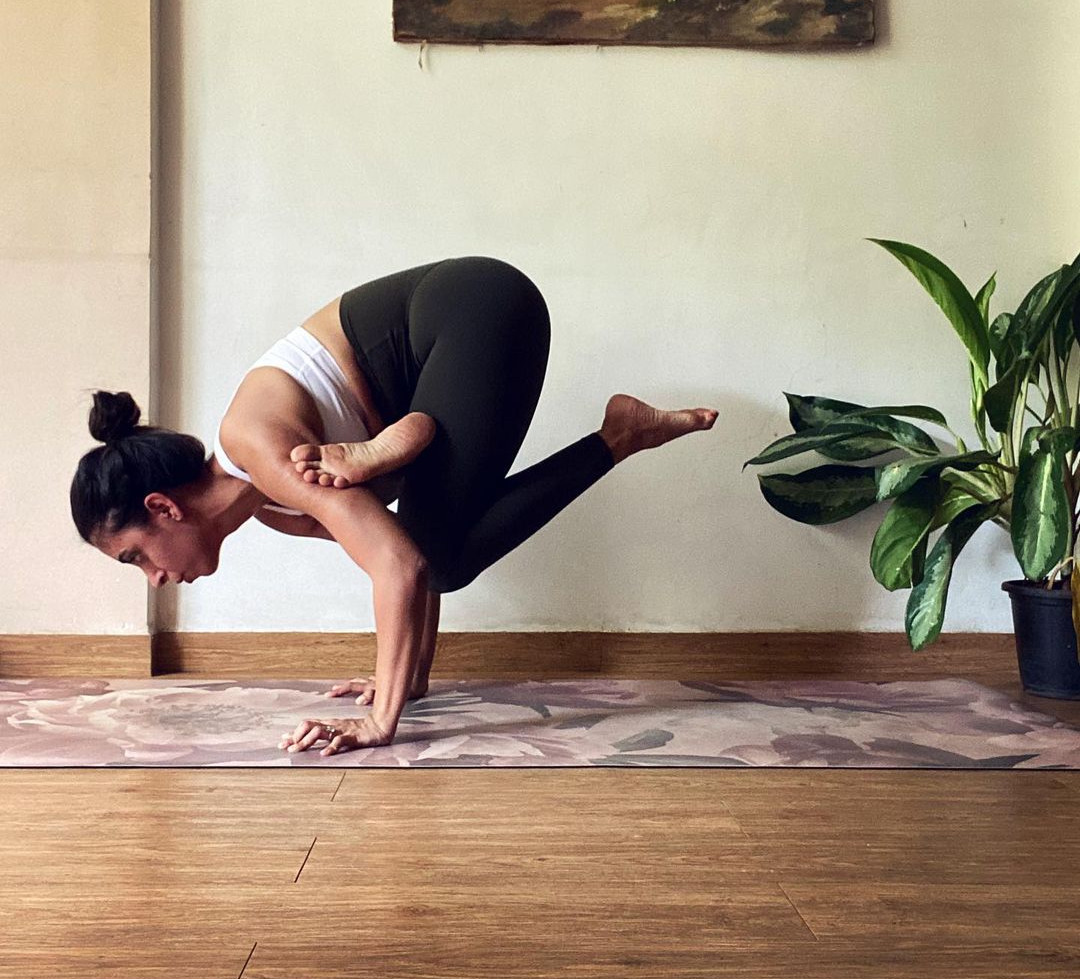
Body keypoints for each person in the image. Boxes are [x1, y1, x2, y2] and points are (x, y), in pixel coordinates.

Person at [70, 256, 718, 756]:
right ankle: (621, 433)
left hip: (473, 308)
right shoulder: (272, 505)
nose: (154, 577)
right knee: (440, 550)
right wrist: (409, 678)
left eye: (134, 557)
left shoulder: (257, 446)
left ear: (163, 508)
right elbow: (407, 552)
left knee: (439, 557)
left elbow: (401, 565)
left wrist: (382, 721)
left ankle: (618, 436)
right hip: (468, 324)